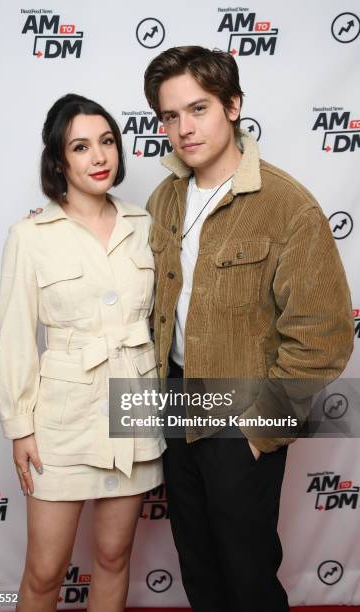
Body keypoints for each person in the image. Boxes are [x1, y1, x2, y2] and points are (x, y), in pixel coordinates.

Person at [143, 46, 354, 612]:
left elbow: (324, 334)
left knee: (247, 572)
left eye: (199, 109)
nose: (184, 128)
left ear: (233, 106)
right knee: (198, 563)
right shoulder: (164, 198)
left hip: (244, 412)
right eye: (170, 116)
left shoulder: (287, 206)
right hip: (178, 403)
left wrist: (263, 430)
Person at [0, 93, 165, 612]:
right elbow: (17, 335)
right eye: (82, 146)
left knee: (114, 557)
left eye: (107, 141)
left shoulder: (146, 225)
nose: (99, 157)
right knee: (45, 572)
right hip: (62, 420)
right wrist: (19, 424)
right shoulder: (30, 236)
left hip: (134, 407)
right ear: (59, 160)